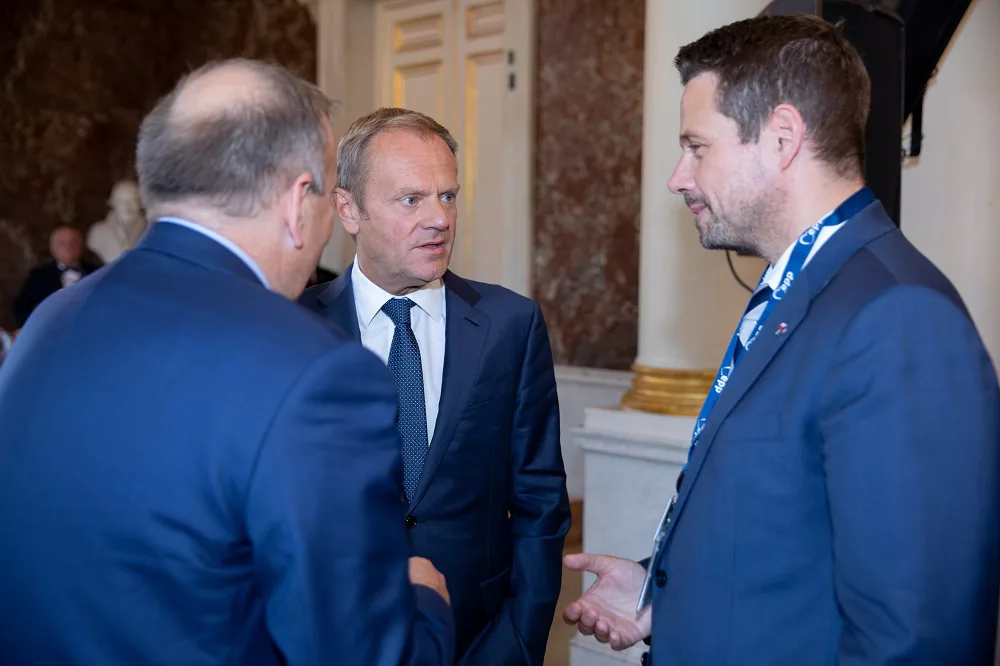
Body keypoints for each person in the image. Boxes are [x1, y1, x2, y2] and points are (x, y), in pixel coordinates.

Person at [563, 14, 1000, 666]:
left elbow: (915, 638)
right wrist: (661, 593)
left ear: (782, 138)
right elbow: (781, 524)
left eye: (697, 146)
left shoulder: (900, 318)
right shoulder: (798, 289)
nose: (678, 177)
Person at [0, 59, 454, 666]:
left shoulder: (49, 321)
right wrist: (426, 602)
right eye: (327, 194)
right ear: (297, 201)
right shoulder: (316, 371)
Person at [299, 107, 571, 665]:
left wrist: (518, 643)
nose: (439, 219)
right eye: (411, 200)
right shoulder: (294, 327)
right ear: (348, 209)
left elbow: (540, 502)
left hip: (479, 639)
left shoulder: (509, 325)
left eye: (448, 196)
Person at [11, 225, 102, 327]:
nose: (68, 247)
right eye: (62, 244)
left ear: (81, 246)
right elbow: (21, 306)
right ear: (52, 248)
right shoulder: (39, 276)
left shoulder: (97, 273)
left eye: (74, 242)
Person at [87, 179, 148, 263]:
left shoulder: (153, 230)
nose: (127, 206)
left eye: (133, 200)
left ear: (141, 203)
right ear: (113, 203)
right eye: (121, 201)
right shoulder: (97, 232)